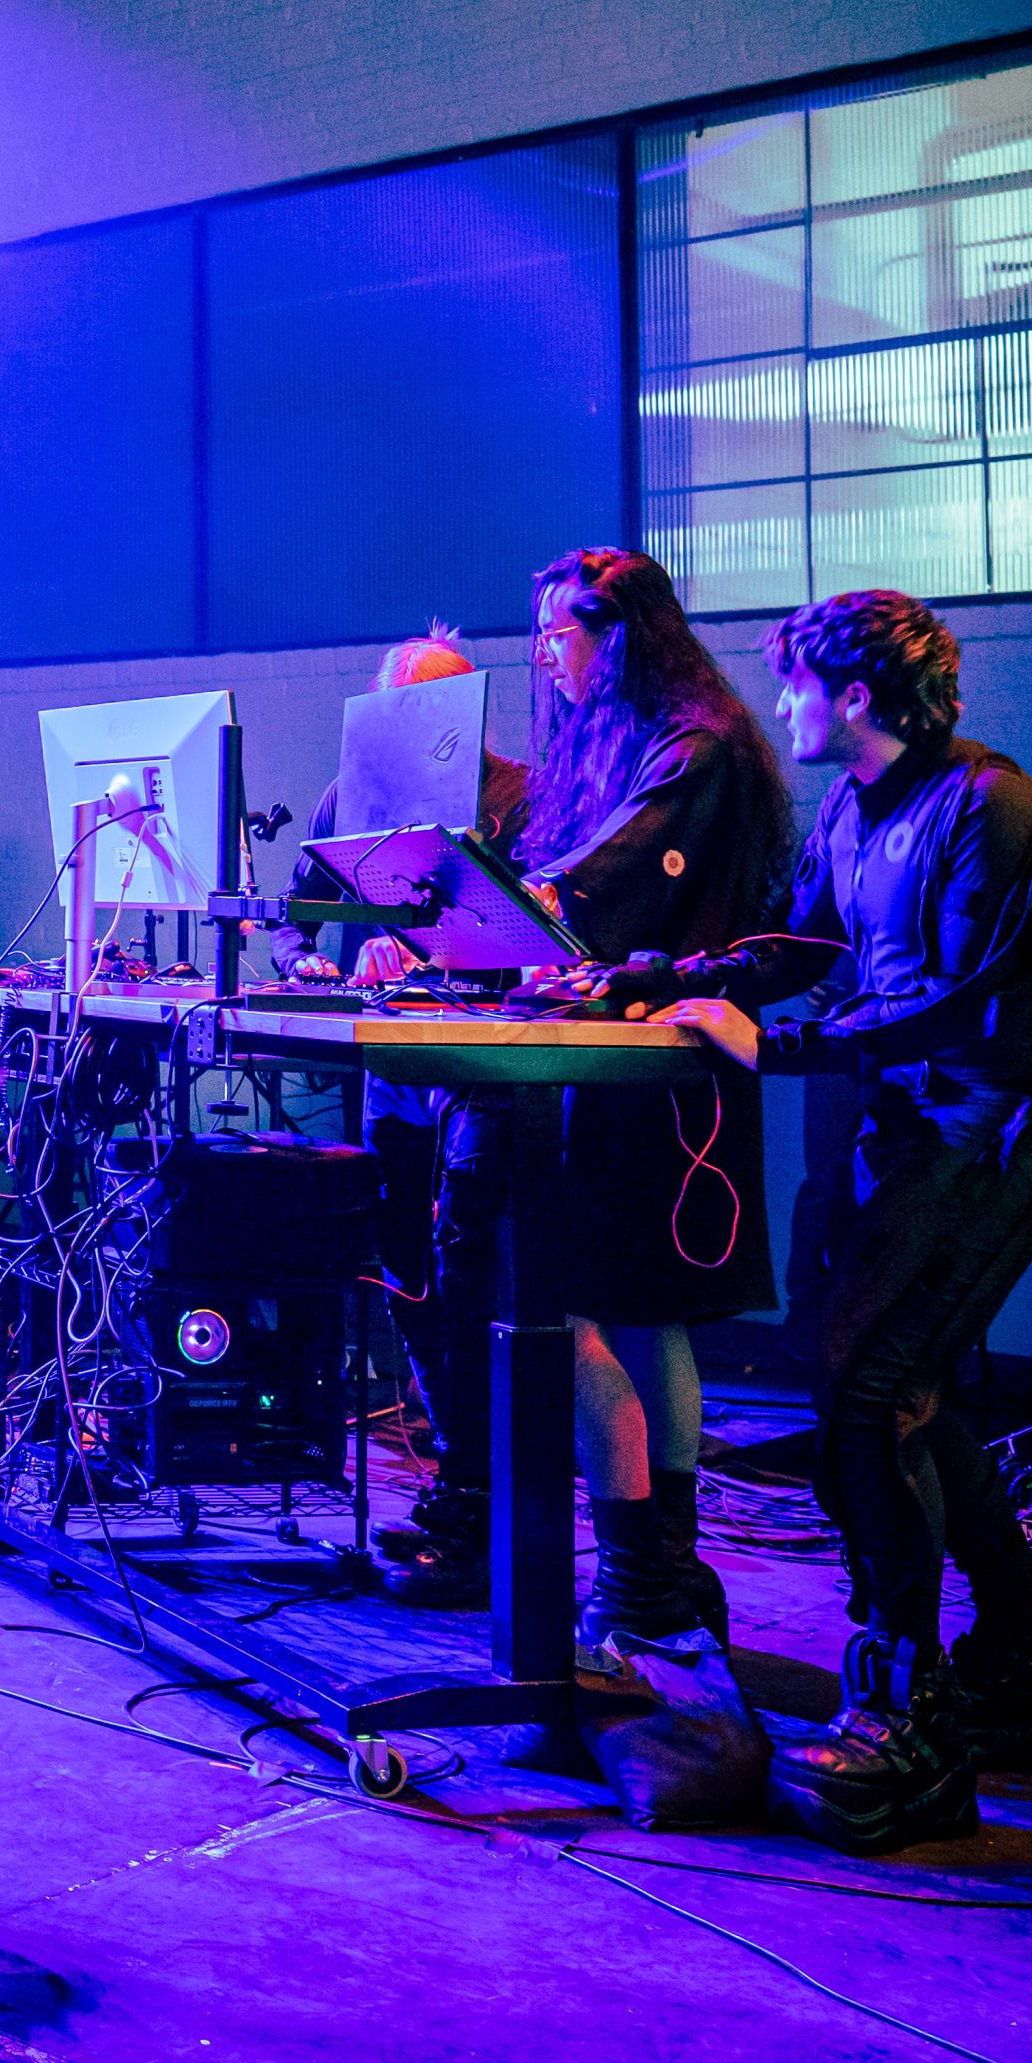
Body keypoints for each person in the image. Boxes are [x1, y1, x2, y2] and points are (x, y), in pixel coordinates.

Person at [640, 589, 1032, 1852]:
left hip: (985, 1129)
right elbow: (802, 943)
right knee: (896, 1391)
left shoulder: (984, 804)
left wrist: (767, 1043)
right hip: (896, 1133)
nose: (777, 704)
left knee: (866, 1390)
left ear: (852, 695)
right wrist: (670, 979)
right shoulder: (853, 807)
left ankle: (907, 1710)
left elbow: (959, 1008)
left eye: (792, 684)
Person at [516, 544, 795, 1671]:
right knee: (633, 1313)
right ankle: (659, 1578)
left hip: (657, 1080)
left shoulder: (695, 748)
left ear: (616, 632)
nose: (544, 657)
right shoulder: (640, 739)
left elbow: (591, 882)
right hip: (647, 1070)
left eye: (559, 634)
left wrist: (481, 913)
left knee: (583, 1306)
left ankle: (640, 1579)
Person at [295, 629, 530, 1608]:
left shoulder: (525, 798)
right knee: (408, 1278)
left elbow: (543, 935)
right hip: (394, 1070)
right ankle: (456, 1480)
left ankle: (490, 1501)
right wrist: (328, 959)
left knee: (472, 1281)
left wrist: (444, 959)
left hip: (485, 1076)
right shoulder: (354, 793)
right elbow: (304, 913)